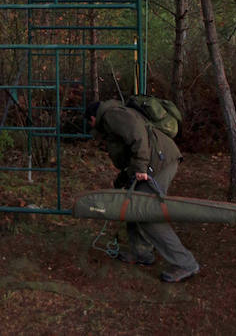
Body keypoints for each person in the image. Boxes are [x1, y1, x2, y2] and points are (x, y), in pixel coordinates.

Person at [86, 99, 200, 283]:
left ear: (92, 117)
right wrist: (124, 178)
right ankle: (141, 253)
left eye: (89, 123)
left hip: (159, 163)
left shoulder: (110, 115)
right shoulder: (113, 115)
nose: (91, 127)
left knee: (147, 212)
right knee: (133, 206)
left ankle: (185, 263)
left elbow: (138, 135)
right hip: (154, 161)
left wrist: (140, 167)